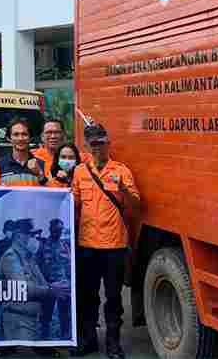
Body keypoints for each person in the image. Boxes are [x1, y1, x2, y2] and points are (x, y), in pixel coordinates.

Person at [70, 124, 139, 359]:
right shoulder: (79, 172)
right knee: (87, 296)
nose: (97, 147)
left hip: (114, 247)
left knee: (113, 298)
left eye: (101, 143)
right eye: (93, 144)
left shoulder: (122, 171)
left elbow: (136, 206)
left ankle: (113, 345)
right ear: (87, 146)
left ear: (108, 143)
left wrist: (123, 190)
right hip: (87, 246)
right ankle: (88, 340)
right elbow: (74, 206)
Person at [0, 219, 69, 353]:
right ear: (19, 235)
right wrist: (51, 290)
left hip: (31, 320)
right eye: (32, 235)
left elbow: (41, 283)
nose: (35, 239)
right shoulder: (11, 257)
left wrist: (54, 286)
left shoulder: (29, 257)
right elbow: (22, 288)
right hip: (18, 322)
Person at [36, 219, 73, 342]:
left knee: (64, 314)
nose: (58, 232)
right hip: (49, 284)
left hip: (63, 285)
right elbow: (37, 264)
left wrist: (69, 280)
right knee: (46, 314)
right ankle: (44, 339)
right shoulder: (43, 245)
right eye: (56, 229)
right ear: (51, 229)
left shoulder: (65, 245)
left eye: (60, 230)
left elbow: (69, 264)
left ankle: (65, 338)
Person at [0, 118, 48, 187]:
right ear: (9, 138)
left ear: (30, 138)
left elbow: (51, 193)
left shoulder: (42, 164)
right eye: (16, 134)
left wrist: (40, 175)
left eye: (24, 134)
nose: (20, 138)